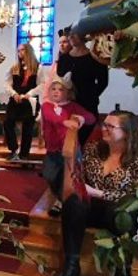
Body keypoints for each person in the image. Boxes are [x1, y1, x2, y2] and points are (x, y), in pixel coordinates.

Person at [58, 111, 138, 276]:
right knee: (73, 203)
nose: (103, 129)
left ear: (128, 133)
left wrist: (100, 193)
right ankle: (71, 264)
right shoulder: (93, 149)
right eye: (103, 124)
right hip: (99, 209)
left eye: (110, 126)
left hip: (130, 213)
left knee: (121, 211)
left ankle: (123, 273)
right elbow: (80, 181)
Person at [41, 72, 95, 216]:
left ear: (68, 93)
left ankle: (61, 201)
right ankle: (58, 196)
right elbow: (50, 117)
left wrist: (81, 119)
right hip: (53, 149)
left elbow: (91, 118)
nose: (56, 92)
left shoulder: (73, 106)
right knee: (49, 174)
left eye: (60, 89)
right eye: (54, 89)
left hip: (71, 149)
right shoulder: (47, 106)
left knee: (70, 176)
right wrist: (64, 121)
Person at [57, 28, 109, 145]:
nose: (71, 37)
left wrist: (92, 95)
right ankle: (69, 162)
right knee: (67, 141)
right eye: (70, 35)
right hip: (67, 103)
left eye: (74, 35)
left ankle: (80, 160)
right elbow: (59, 80)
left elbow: (103, 82)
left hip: (88, 103)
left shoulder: (95, 57)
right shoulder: (64, 58)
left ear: (83, 36)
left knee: (83, 138)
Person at [4, 43, 43, 161]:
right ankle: (13, 149)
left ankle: (24, 153)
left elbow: (42, 84)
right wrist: (13, 93)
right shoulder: (14, 67)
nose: (20, 53)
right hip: (15, 100)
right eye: (18, 50)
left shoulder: (38, 67)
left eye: (22, 50)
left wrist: (29, 94)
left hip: (29, 101)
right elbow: (7, 83)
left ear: (29, 51)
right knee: (7, 122)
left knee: (28, 127)